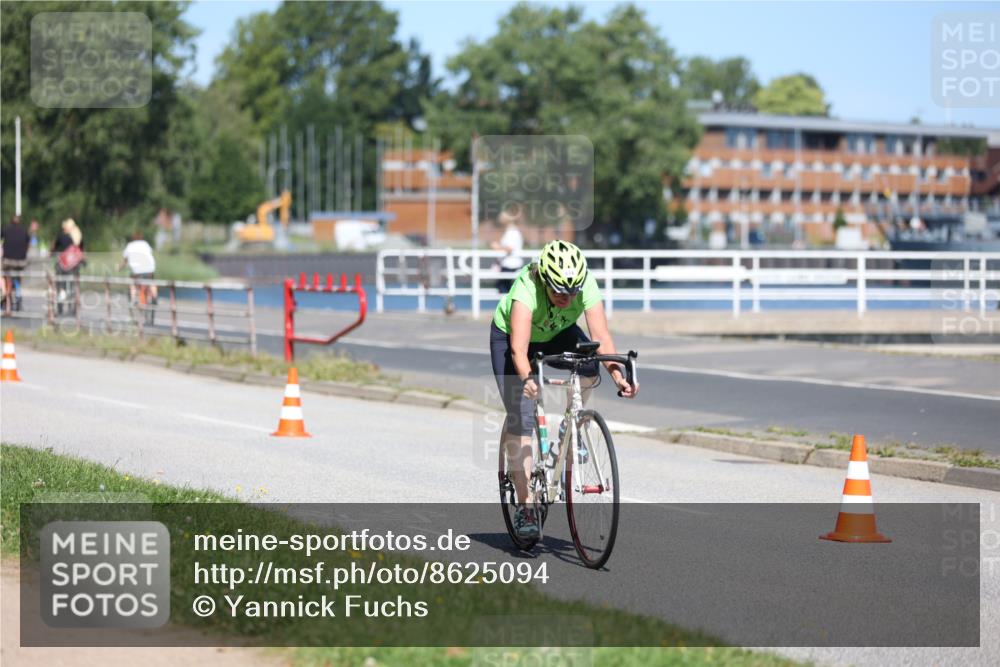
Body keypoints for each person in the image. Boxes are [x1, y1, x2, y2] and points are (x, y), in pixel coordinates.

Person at [490, 239, 638, 540]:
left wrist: (618, 377)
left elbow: (602, 337)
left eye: (573, 291)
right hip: (514, 339)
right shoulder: (526, 289)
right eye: (559, 290)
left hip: (556, 333)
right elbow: (519, 351)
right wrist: (528, 379)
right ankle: (526, 506)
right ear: (544, 280)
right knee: (521, 413)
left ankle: (572, 427)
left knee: (589, 362)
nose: (567, 297)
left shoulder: (586, 286)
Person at [52, 218, 84, 309]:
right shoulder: (78, 237)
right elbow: (81, 251)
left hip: (62, 265)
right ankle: (72, 303)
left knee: (60, 282)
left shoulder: (62, 236)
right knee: (74, 283)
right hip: (75, 265)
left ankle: (61, 301)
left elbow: (54, 247)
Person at [119, 231, 158, 304]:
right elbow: (150, 253)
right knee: (151, 281)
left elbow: (125, 260)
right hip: (149, 267)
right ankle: (154, 296)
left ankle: (133, 299)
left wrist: (119, 268)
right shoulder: (145, 244)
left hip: (137, 269)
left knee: (132, 282)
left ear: (133, 239)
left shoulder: (130, 245)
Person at [489, 212, 524, 294]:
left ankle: (509, 305)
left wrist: (497, 247)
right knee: (504, 287)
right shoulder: (510, 232)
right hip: (508, 264)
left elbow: (510, 248)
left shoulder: (512, 232)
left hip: (511, 265)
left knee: (503, 287)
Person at [1, 215, 29, 311]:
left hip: (8, 260)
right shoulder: (24, 231)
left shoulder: (6, 229)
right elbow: (28, 243)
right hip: (21, 261)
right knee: (18, 277)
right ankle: (18, 293)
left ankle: (7, 298)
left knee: (7, 278)